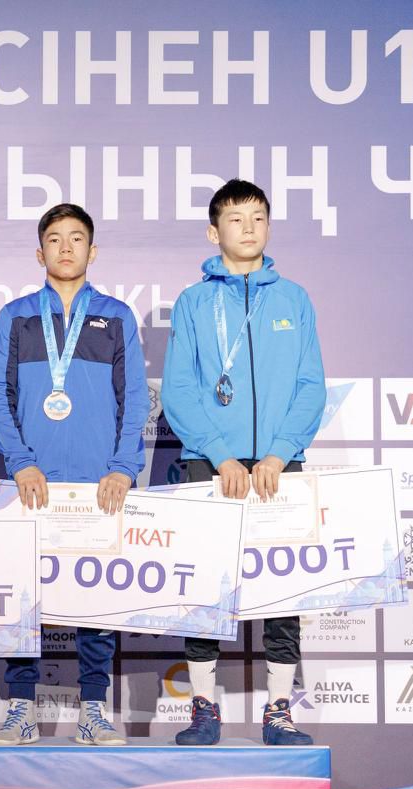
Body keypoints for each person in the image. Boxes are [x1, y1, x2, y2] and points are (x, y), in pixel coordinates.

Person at [160, 178, 327, 746]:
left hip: (281, 464)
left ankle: (279, 711)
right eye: (236, 218)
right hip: (212, 464)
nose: (249, 227)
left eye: (258, 217)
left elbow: (310, 386)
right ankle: (203, 708)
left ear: (269, 226)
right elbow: (179, 389)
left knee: (283, 591)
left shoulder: (295, 299)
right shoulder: (193, 302)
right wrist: (219, 453)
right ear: (215, 232)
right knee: (205, 586)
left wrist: (280, 452)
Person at [0, 203, 149, 746]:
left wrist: (123, 467)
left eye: (77, 238)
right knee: (22, 596)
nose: (66, 247)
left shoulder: (117, 316)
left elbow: (134, 399)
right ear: (40, 253)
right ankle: (21, 709)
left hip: (98, 484)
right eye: (55, 239)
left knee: (96, 600)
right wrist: (21, 460)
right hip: (27, 481)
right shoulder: (16, 316)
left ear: (92, 251)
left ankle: (94, 710)